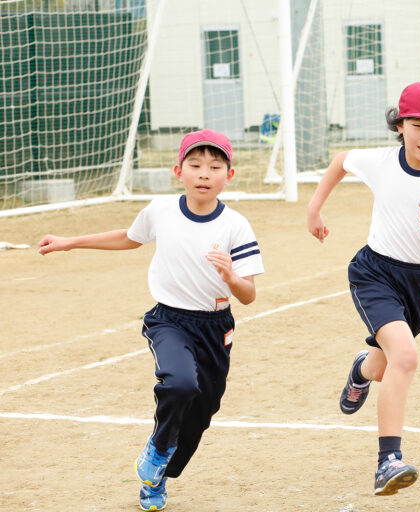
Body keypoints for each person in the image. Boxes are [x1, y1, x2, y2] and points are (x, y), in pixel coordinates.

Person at [38, 129, 264, 511]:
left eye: (214, 166)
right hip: (169, 321)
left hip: (215, 327)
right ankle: (157, 451)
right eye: (195, 165)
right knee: (179, 384)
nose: (204, 174)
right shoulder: (161, 210)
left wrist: (231, 278)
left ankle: (157, 476)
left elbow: (249, 294)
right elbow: (129, 237)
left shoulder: (236, 226)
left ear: (230, 175)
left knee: (202, 411)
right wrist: (70, 241)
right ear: (179, 171)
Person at [306, 81, 420, 496]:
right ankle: (389, 460)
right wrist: (315, 208)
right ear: (399, 124)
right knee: (405, 355)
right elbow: (339, 161)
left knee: (386, 364)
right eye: (417, 125)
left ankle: (361, 370)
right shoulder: (381, 162)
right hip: (375, 274)